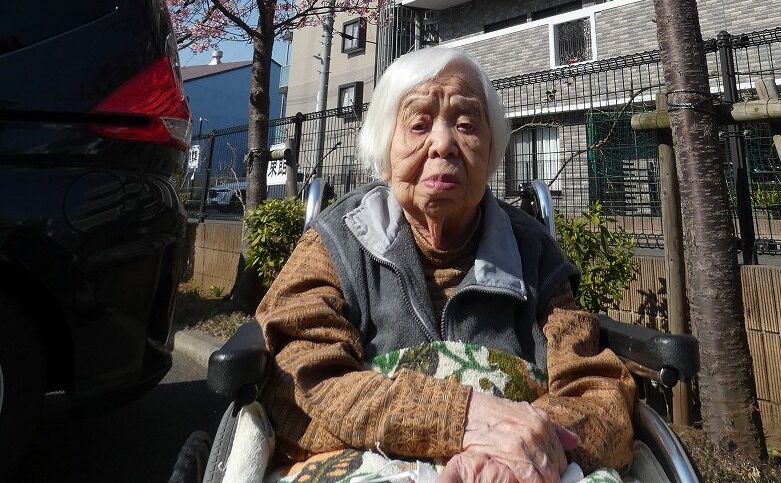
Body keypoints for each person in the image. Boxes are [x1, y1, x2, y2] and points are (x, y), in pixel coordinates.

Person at [256, 47, 636, 483]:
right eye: (419, 125)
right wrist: (466, 419)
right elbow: (299, 381)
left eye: (466, 124)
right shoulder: (335, 244)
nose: (443, 144)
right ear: (386, 147)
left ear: (490, 150)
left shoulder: (534, 255)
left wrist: (517, 453)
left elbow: (598, 397)